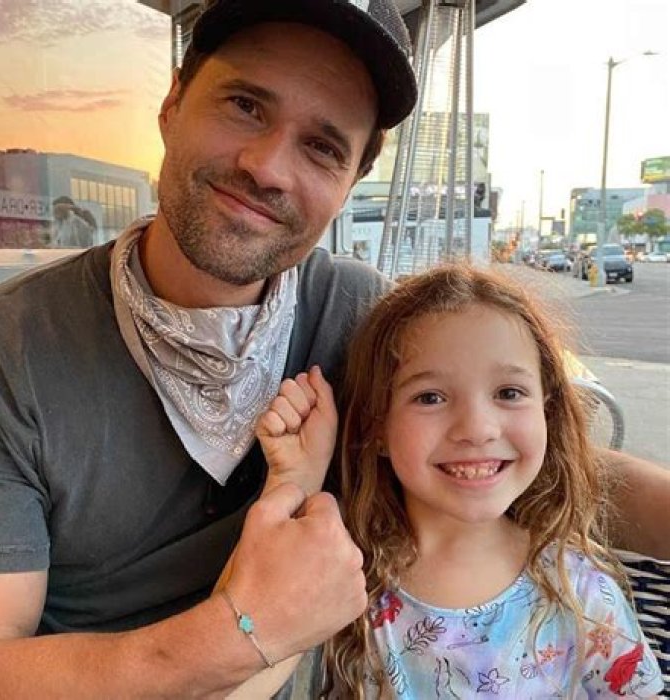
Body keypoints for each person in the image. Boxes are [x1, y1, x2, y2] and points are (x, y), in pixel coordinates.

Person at [0, 0, 666, 697]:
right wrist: (242, 633)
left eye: (322, 147)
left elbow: (504, 451)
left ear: (350, 183)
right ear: (171, 105)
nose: (267, 166)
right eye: (244, 106)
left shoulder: (360, 314)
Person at [256, 265, 662, 697]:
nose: (477, 428)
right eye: (430, 397)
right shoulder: (337, 578)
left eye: (508, 393)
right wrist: (294, 481)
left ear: (547, 410)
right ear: (377, 428)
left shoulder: (581, 592)